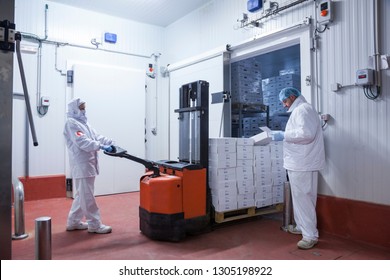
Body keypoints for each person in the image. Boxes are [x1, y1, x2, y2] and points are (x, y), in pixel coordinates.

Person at [273, 87, 325, 249]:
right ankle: (302, 227)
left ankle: (310, 236)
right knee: (302, 198)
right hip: (300, 162)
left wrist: (283, 135)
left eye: (285, 101)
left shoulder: (303, 109)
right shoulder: (301, 110)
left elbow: (306, 134)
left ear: (292, 96)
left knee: (304, 199)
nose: (284, 105)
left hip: (302, 163)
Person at [64, 97, 114, 234]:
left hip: (89, 164)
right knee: (87, 196)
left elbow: (96, 137)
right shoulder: (71, 123)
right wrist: (102, 146)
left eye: (84, 107)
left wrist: (109, 142)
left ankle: (73, 222)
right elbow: (83, 142)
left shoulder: (84, 124)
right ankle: (94, 224)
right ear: (74, 109)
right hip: (82, 164)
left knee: (82, 195)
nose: (84, 110)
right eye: (81, 107)